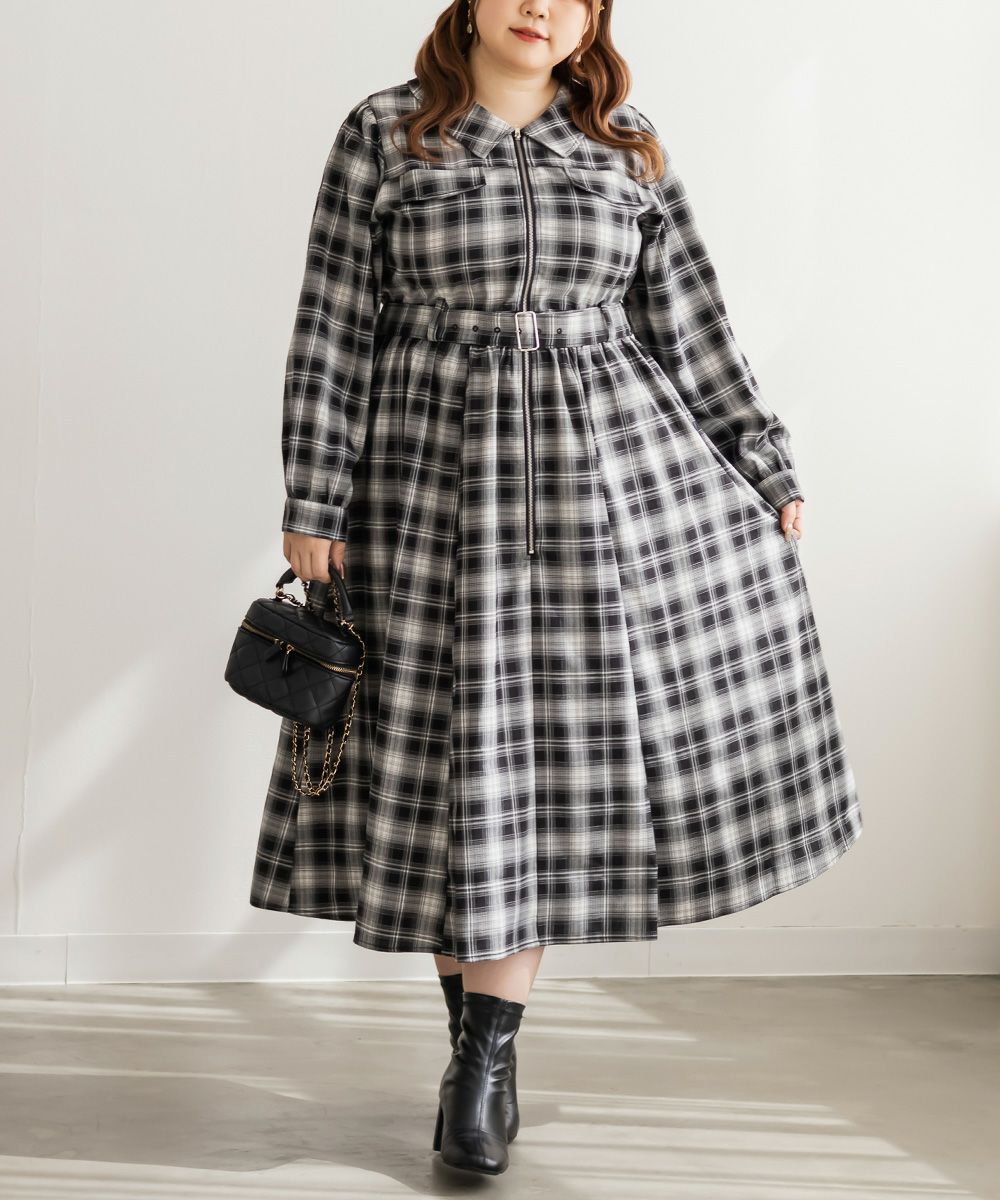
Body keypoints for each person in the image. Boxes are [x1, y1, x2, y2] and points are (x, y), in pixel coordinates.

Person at [249, 0, 863, 1176]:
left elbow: (691, 325)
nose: (541, 7)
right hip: (427, 492)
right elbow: (331, 327)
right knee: (447, 776)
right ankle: (477, 1054)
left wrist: (762, 461)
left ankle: (482, 1061)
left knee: (535, 779)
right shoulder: (386, 132)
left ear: (592, 21)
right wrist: (314, 495)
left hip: (607, 496)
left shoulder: (625, 144)